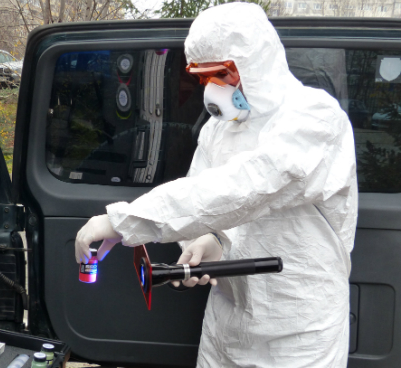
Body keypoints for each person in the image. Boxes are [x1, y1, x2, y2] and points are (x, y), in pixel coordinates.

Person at [75, 3, 358, 367]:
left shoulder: (315, 118)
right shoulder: (218, 129)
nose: (212, 89)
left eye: (221, 75)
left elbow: (249, 186)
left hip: (298, 333)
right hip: (227, 323)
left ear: (256, 63)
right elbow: (201, 199)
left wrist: (126, 220)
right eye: (203, 78)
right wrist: (208, 242)